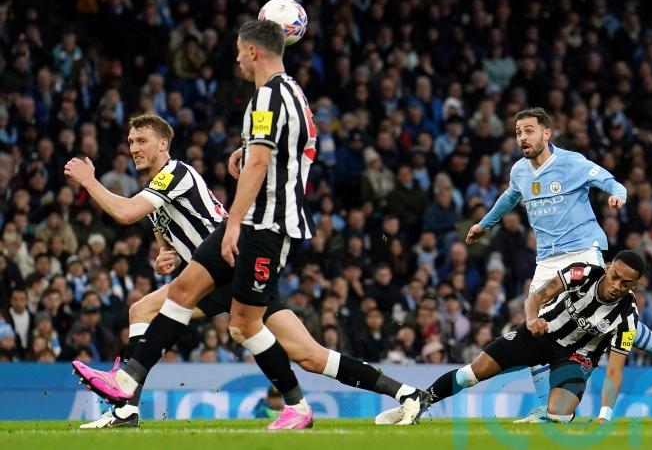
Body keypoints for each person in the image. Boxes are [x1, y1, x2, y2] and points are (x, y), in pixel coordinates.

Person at [69, 22, 430, 430]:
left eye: (240, 51)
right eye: (131, 143)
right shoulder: (288, 93)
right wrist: (167, 250)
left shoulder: (180, 169)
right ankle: (402, 393)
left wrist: (88, 181)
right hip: (238, 243)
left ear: (253, 51)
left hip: (248, 238)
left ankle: (128, 397)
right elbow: (287, 148)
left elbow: (125, 213)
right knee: (288, 345)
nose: (237, 58)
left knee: (270, 337)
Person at [465, 108, 652, 423]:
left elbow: (612, 182)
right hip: (546, 259)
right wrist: (484, 224)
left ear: (547, 133)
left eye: (529, 130)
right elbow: (509, 197)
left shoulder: (572, 163)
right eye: (518, 132)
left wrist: (618, 196)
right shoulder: (519, 170)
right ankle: (548, 412)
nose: (522, 137)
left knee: (611, 318)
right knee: (537, 330)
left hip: (582, 251)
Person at [377, 251, 644, 425]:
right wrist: (531, 319)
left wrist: (605, 416)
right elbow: (537, 297)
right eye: (614, 277)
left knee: (557, 413)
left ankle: (550, 414)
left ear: (635, 285)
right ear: (608, 267)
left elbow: (615, 371)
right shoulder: (582, 273)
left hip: (577, 356)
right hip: (541, 333)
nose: (616, 287)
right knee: (473, 372)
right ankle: (419, 403)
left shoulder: (628, 316)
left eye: (626, 284)